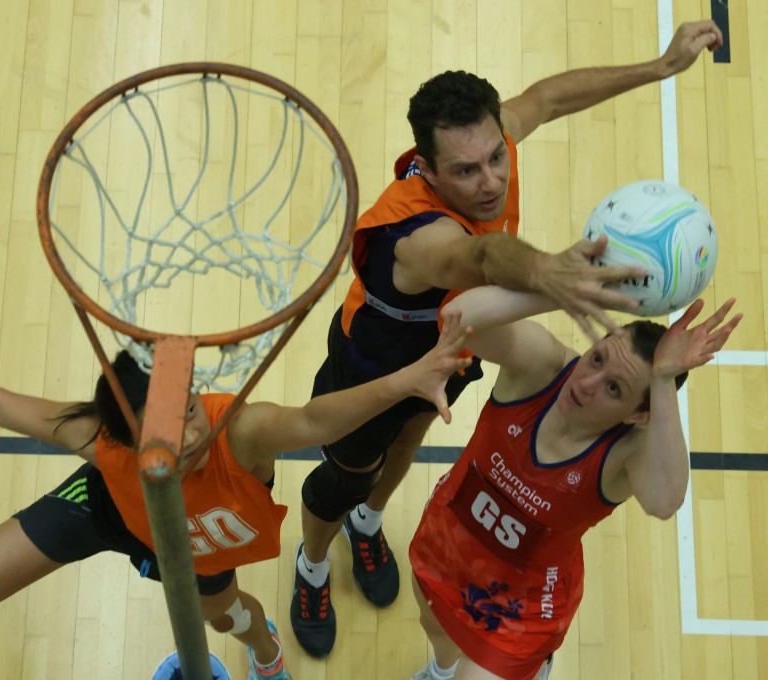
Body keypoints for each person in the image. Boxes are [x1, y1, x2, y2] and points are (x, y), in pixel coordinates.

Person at [290, 19, 725, 658]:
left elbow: (548, 99)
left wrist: (657, 68)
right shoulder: (417, 235)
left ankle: (370, 522)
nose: (491, 180)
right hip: (375, 364)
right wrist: (549, 272)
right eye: (466, 171)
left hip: (457, 350)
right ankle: (312, 565)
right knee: (345, 477)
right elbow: (486, 258)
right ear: (428, 172)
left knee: (411, 438)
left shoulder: (490, 148)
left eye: (497, 156)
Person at [0, 318, 471, 680]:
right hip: (116, 511)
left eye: (188, 409)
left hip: (200, 545)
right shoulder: (98, 439)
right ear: (125, 435)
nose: (188, 433)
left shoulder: (237, 431)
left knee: (227, 618)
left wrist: (409, 378)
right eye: (165, 427)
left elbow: (318, 420)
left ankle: (267, 658)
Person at [406, 286, 741, 680]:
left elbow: (664, 500)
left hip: (522, 605)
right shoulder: (542, 367)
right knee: (435, 629)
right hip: (447, 543)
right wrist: (562, 287)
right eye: (596, 358)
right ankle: (440, 671)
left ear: (638, 416)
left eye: (614, 388)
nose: (586, 384)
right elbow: (456, 318)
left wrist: (664, 381)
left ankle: (534, 668)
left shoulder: (624, 451)